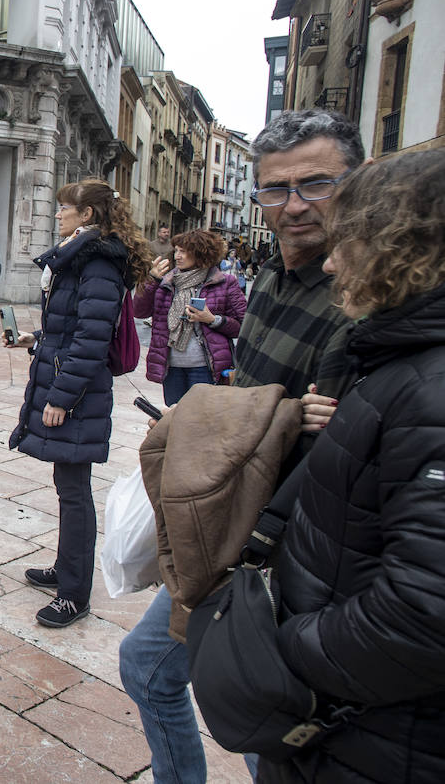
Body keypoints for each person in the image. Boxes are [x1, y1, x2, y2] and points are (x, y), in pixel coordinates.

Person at [119, 108, 364, 784]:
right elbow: (242, 401)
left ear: (357, 181)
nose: (294, 205)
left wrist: (312, 420)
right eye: (275, 190)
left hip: (288, 548)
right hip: (228, 522)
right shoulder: (275, 283)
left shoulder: (363, 295)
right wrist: (193, 432)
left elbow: (361, 433)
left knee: (264, 716)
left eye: (316, 184)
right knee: (158, 671)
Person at [232, 148, 445, 783]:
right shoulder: (391, 358)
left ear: (400, 250)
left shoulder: (425, 390)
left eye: (346, 243)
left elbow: (422, 613)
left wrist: (286, 648)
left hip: (373, 730)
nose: (329, 261)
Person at [5, 179, 149, 628]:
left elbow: (91, 338)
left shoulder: (98, 261)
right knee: (67, 486)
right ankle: (66, 570)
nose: (56, 213)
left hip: (78, 394)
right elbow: (73, 326)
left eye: (64, 207)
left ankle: (74, 594)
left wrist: (62, 398)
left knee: (74, 492)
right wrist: (38, 338)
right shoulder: (81, 255)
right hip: (70, 383)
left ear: (87, 214)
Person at [135, 229, 246, 405]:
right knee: (173, 420)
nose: (177, 256)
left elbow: (243, 326)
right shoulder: (167, 282)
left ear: (201, 253)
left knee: (201, 423)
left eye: (183, 251)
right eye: (176, 250)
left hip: (206, 368)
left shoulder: (225, 283)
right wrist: (152, 280)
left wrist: (211, 319)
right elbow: (139, 312)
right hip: (172, 368)